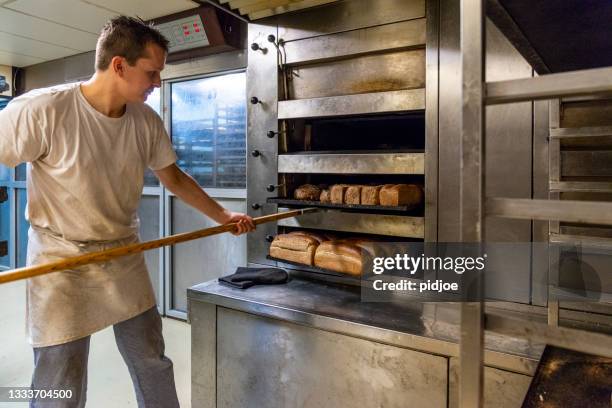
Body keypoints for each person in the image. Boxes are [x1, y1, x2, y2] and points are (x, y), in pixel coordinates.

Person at [0, 16, 255, 407]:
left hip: (122, 253)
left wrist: (223, 215)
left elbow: (174, 178)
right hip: (60, 259)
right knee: (60, 376)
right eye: (151, 73)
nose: (157, 83)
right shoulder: (44, 109)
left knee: (151, 359)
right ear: (119, 65)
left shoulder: (145, 121)